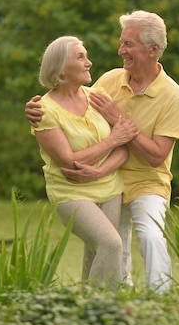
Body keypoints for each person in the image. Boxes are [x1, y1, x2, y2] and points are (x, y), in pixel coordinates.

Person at [26, 11, 179, 293]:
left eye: (128, 44)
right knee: (114, 246)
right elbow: (73, 103)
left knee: (149, 236)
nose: (120, 51)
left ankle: (161, 300)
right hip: (105, 180)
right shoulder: (109, 82)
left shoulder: (173, 96)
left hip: (145, 181)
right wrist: (33, 111)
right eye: (122, 42)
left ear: (153, 50)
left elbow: (154, 156)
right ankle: (114, 304)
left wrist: (118, 128)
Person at [30, 35, 139, 291]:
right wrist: (113, 139)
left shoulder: (97, 97)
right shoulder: (45, 110)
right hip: (72, 194)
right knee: (111, 244)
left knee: (97, 253)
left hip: (110, 189)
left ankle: (87, 310)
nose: (89, 62)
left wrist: (101, 169)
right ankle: (102, 313)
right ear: (60, 67)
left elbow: (125, 148)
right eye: (80, 57)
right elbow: (69, 162)